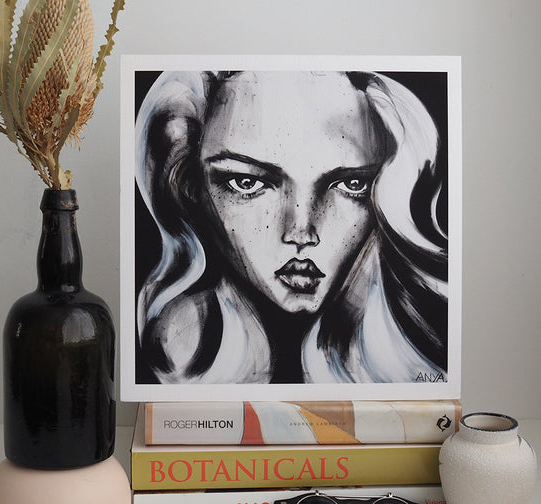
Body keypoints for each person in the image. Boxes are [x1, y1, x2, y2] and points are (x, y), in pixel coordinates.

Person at [134, 70, 448, 385]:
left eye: (351, 184)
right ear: (188, 185)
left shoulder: (428, 354)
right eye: (247, 182)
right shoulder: (171, 350)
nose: (301, 233)